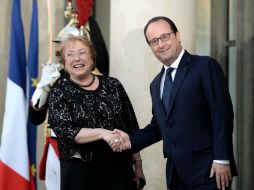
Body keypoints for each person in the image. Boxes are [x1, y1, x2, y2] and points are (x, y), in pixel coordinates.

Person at [110, 16, 238, 190]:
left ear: (177, 36)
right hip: (176, 175)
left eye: (165, 37)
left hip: (210, 171)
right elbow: (159, 127)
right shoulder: (156, 84)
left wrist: (222, 159)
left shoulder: (205, 66)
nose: (161, 44)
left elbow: (221, 114)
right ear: (150, 47)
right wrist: (129, 140)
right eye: (154, 41)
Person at [47, 36, 145, 190]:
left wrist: (138, 164)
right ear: (64, 62)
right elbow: (66, 131)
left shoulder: (113, 85)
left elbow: (131, 126)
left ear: (92, 57)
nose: (77, 58)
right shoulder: (59, 92)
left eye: (82, 52)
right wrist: (102, 133)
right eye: (70, 54)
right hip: (81, 176)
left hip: (119, 170)